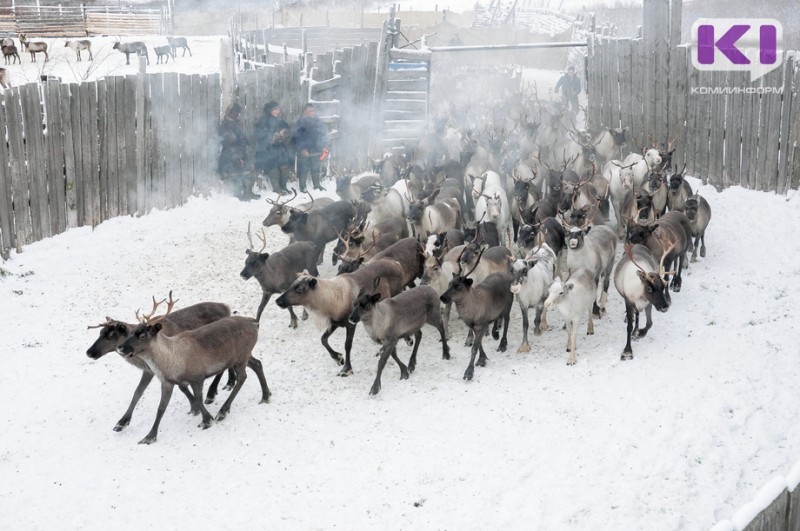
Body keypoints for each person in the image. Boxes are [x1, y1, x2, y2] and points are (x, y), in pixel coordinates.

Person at [218, 102, 259, 201]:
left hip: (240, 153)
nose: (239, 114)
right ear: (234, 113)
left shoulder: (234, 123)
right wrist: (238, 156)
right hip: (230, 156)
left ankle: (248, 191)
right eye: (238, 112)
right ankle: (238, 193)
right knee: (235, 171)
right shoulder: (226, 125)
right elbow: (229, 142)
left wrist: (249, 145)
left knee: (251, 167)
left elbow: (242, 139)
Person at [254, 101, 293, 195]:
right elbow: (260, 134)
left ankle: (283, 187)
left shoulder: (280, 120)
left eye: (278, 108)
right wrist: (274, 136)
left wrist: (285, 133)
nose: (278, 110)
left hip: (280, 149)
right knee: (273, 168)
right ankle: (277, 189)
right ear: (269, 110)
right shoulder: (264, 120)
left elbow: (288, 130)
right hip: (269, 150)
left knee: (284, 168)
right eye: (275, 109)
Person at [292, 103, 328, 193]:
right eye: (310, 111)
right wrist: (302, 149)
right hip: (305, 150)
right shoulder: (300, 122)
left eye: (313, 110)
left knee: (316, 168)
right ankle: (302, 186)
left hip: (316, 150)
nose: (312, 112)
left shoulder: (318, 122)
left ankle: (317, 185)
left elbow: (323, 135)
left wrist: (323, 146)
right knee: (304, 169)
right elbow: (297, 137)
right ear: (305, 112)